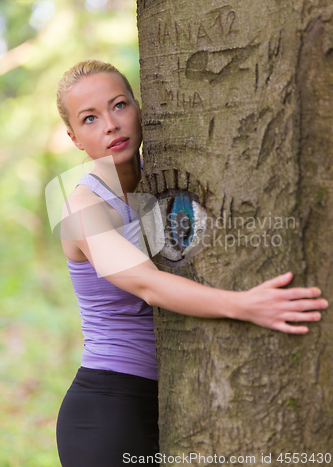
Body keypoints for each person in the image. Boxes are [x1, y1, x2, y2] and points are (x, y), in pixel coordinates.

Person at [53, 60, 328, 467]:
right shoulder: (83, 206)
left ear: (139, 108)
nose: (110, 125)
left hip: (177, 400)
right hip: (108, 411)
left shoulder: (162, 177)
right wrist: (244, 305)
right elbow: (147, 284)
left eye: (119, 105)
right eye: (90, 118)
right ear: (75, 138)